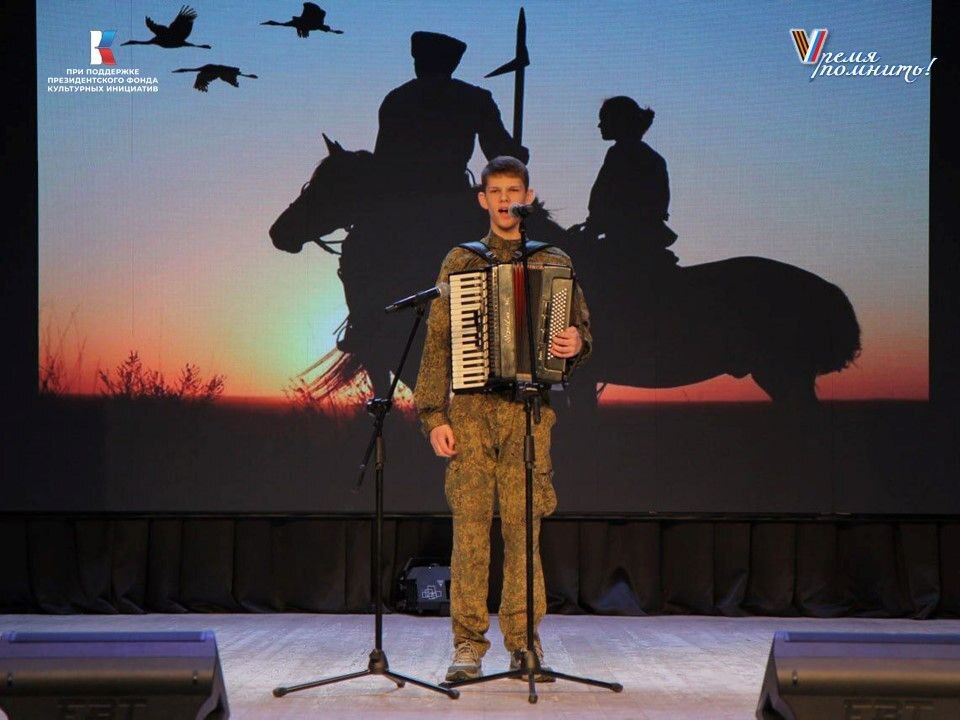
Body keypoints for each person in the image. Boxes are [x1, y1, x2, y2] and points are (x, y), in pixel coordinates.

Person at [414, 156, 592, 683]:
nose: (505, 200)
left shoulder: (553, 260)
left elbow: (580, 329)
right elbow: (438, 343)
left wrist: (575, 343)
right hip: (470, 412)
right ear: (483, 199)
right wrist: (432, 414)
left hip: (529, 414)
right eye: (496, 191)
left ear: (527, 197)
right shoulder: (460, 261)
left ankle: (524, 643)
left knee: (523, 533)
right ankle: (468, 645)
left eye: (514, 191)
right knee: (470, 532)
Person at [575, 95, 678, 270]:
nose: (599, 125)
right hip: (648, 238)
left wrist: (590, 231)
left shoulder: (619, 153)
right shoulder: (653, 157)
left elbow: (606, 200)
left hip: (626, 242)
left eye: (604, 120)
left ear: (619, 121)